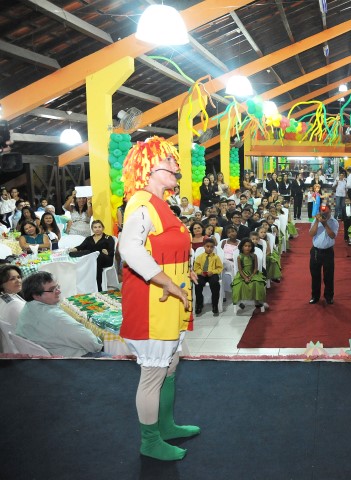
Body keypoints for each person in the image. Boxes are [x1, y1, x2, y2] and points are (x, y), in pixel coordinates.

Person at [117, 136, 199, 461]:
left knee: (170, 365)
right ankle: (150, 441)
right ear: (150, 167)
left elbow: (164, 247)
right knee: (153, 372)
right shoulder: (141, 204)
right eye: (171, 161)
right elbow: (129, 248)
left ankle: (166, 425)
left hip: (169, 300)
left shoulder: (158, 202)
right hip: (153, 303)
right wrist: (165, 279)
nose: (177, 166)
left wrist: (184, 272)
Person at [16, 271, 103, 357]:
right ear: (36, 296)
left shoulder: (27, 308)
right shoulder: (53, 317)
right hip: (71, 360)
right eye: (52, 290)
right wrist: (102, 345)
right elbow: (90, 341)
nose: (58, 291)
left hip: (43, 357)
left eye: (57, 287)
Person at [69, 220, 115, 291]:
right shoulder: (89, 239)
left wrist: (107, 252)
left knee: (98, 257)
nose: (97, 229)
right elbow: (80, 246)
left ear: (103, 228)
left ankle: (99, 287)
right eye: (95, 227)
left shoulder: (108, 238)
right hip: (91, 260)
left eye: (99, 227)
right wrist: (75, 248)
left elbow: (112, 252)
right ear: (92, 229)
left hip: (105, 259)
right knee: (86, 253)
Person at [308, 205, 338, 305]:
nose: (324, 214)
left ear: (330, 212)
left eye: (326, 213)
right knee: (315, 275)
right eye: (322, 213)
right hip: (316, 251)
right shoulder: (316, 220)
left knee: (328, 276)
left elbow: (332, 235)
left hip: (328, 252)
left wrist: (325, 224)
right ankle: (315, 296)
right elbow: (311, 234)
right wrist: (317, 221)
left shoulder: (334, 222)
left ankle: (329, 297)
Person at [231, 238, 267, 312]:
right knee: (238, 285)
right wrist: (245, 277)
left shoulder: (254, 256)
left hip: (253, 273)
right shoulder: (239, 257)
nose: (247, 248)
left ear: (252, 247)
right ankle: (239, 302)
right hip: (242, 274)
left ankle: (257, 301)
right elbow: (240, 269)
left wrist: (251, 276)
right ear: (242, 247)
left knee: (257, 283)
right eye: (245, 246)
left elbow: (255, 268)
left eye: (249, 246)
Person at [192, 238, 222, 317]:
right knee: (197, 284)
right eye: (207, 246)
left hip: (212, 274)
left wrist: (213, 272)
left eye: (211, 247)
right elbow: (196, 268)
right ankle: (199, 304)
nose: (209, 248)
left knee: (215, 284)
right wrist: (200, 272)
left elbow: (219, 268)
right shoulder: (199, 257)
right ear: (204, 246)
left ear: (213, 247)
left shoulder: (216, 257)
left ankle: (215, 305)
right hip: (202, 274)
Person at [0, 265, 25, 331]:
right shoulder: (15, 304)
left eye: (19, 277)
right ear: (2, 284)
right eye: (12, 279)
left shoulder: (3, 297)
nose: (18, 281)